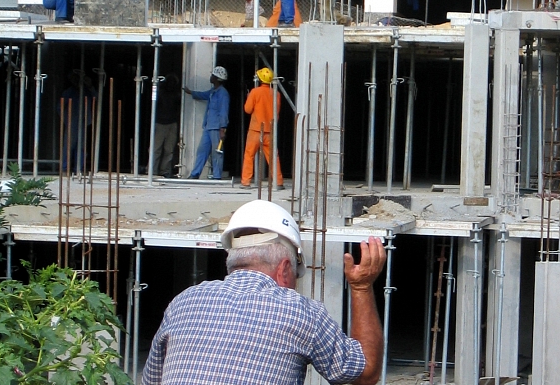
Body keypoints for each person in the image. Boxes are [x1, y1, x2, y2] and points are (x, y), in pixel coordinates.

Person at [143, 199, 386, 385]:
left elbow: (152, 379)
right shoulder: (300, 311)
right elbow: (366, 373)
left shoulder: (184, 302)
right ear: (284, 269)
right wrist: (361, 286)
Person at [240, 67, 283, 190]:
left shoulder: (255, 92)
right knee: (273, 157)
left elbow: (247, 110)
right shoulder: (276, 94)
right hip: (269, 130)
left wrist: (249, 97)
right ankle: (278, 182)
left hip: (255, 130)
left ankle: (246, 182)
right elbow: (277, 112)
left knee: (249, 155)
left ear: (259, 79)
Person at [184, 66, 229, 180]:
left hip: (216, 128)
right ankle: (195, 174)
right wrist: (191, 92)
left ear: (217, 78)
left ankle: (217, 176)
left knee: (217, 152)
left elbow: (223, 111)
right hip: (209, 126)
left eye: (213, 75)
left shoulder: (222, 93)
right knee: (202, 150)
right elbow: (203, 95)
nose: (211, 77)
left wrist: (222, 129)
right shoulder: (213, 92)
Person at [57, 71, 97, 173]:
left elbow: (96, 97)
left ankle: (78, 169)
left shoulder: (87, 92)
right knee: (69, 145)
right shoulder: (69, 92)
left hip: (83, 122)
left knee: (82, 146)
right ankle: (65, 168)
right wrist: (67, 120)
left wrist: (90, 85)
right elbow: (60, 107)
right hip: (72, 122)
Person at [152, 73, 181, 178]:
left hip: (171, 124)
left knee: (169, 150)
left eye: (173, 83)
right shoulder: (160, 94)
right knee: (156, 149)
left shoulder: (177, 96)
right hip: (160, 123)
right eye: (169, 82)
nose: (171, 85)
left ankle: (165, 171)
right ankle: (152, 170)